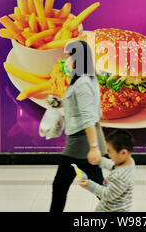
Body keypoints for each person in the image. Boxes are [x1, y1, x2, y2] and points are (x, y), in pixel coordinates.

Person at [49, 40, 106, 212]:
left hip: (80, 142)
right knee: (100, 188)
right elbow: (81, 106)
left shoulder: (81, 82)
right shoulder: (85, 79)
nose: (65, 59)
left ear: (77, 57)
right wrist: (59, 103)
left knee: (59, 186)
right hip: (83, 141)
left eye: (68, 55)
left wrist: (94, 147)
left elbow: (88, 116)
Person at [79, 129, 136, 212]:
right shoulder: (129, 162)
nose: (109, 155)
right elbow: (114, 166)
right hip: (122, 205)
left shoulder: (119, 177)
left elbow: (107, 194)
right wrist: (101, 161)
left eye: (110, 152)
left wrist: (89, 185)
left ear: (123, 153)